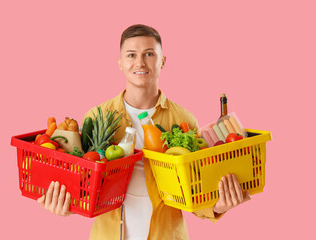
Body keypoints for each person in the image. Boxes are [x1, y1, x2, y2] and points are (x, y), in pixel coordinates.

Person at [37, 24, 251, 240]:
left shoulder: (184, 120)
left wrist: (218, 206)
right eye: (131, 55)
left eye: (149, 54)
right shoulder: (97, 116)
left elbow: (192, 194)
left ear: (163, 61)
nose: (140, 62)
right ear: (120, 62)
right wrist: (66, 204)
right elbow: (84, 185)